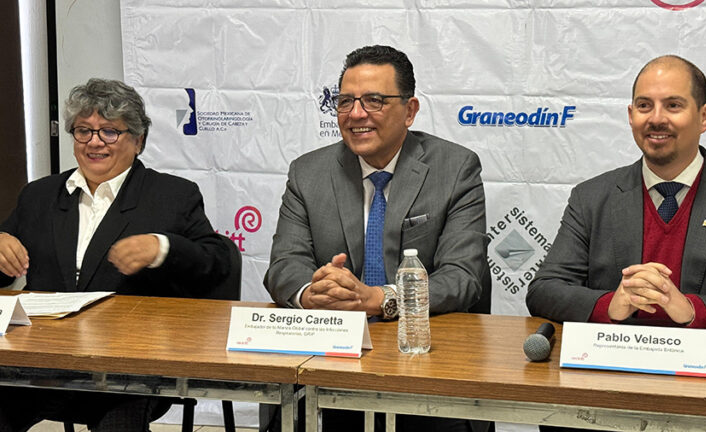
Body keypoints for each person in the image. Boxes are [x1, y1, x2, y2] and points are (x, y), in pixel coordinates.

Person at [263, 45, 492, 432]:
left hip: (426, 361)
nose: (356, 114)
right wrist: (313, 294)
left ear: (410, 110)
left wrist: (379, 298)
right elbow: (285, 265)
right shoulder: (308, 172)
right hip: (334, 360)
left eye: (374, 101)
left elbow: (462, 276)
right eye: (345, 101)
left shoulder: (455, 168)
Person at [0, 78, 231, 432]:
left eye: (109, 132)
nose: (94, 142)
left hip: (130, 373)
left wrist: (163, 247)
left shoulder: (172, 196)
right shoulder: (39, 196)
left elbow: (217, 263)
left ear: (138, 141)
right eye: (83, 131)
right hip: (40, 366)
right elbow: (5, 271)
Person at [527, 55, 706, 343]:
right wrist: (610, 305)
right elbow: (544, 289)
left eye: (673, 105)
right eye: (644, 106)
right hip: (612, 363)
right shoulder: (590, 198)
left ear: (705, 116)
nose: (656, 119)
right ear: (631, 116)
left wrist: (693, 309)